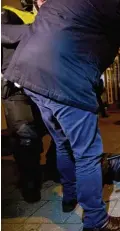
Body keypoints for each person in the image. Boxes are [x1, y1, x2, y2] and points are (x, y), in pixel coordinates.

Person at [3, 0, 120, 231]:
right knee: (87, 153)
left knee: (61, 141)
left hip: (29, 75)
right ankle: (96, 221)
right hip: (65, 78)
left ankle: (70, 197)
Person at [1, 0, 59, 203]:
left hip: (46, 87)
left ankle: (53, 169)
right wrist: (38, 32)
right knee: (26, 137)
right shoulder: (9, 13)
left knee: (59, 132)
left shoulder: (54, 17)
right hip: (17, 90)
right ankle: (30, 184)